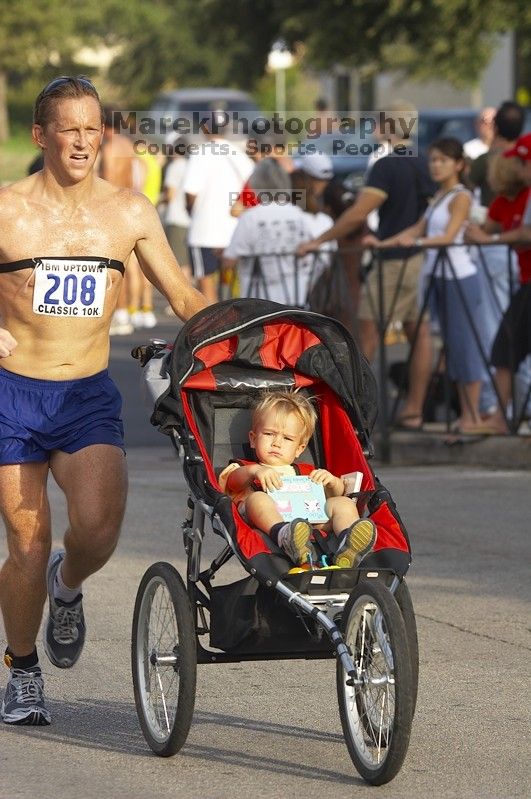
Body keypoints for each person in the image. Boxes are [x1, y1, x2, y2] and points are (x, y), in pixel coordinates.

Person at [0, 76, 207, 726]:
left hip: (86, 393)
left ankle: (67, 586)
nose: (83, 141)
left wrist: (244, 338)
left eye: (93, 129)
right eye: (69, 129)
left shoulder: (128, 211)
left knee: (95, 531)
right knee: (27, 541)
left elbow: (182, 296)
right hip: (12, 393)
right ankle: (22, 669)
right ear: (40, 135)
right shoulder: (7, 209)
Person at [298, 101, 436, 430]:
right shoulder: (422, 160)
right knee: (417, 331)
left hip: (393, 260)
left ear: (388, 127)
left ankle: (352, 411)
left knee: (366, 331)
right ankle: (413, 409)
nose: (372, 129)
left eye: (377, 123)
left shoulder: (387, 165)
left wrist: (319, 240)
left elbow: (359, 212)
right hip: (419, 256)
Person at [374, 138, 491, 435]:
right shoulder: (440, 196)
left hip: (459, 277)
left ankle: (472, 416)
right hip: (440, 276)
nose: (436, 166)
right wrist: (382, 244)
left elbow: (448, 236)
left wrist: (414, 242)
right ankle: (467, 415)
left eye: (443, 160)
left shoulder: (460, 196)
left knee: (465, 344)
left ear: (458, 164)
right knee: (452, 345)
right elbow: (417, 228)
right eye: (433, 160)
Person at [218, 390, 376, 568]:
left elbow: (334, 495)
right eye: (269, 434)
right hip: (268, 521)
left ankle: (348, 543)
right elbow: (231, 483)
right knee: (257, 498)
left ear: (299, 449)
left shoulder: (305, 471)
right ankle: (284, 535)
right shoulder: (247, 468)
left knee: (343, 502)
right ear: (253, 439)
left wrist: (333, 482)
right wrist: (254, 471)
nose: (277, 443)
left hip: (311, 521)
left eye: (287, 438)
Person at [465, 132, 531, 433]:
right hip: (525, 281)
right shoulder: (513, 197)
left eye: (522, 163)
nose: (518, 169)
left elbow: (526, 234)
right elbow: (495, 225)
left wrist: (488, 239)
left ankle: (501, 418)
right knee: (506, 347)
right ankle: (502, 418)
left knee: (506, 346)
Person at [222, 158, 316, 305]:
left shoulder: (250, 217)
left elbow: (229, 260)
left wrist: (222, 255)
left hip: (259, 303)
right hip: (296, 299)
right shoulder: (299, 215)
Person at [183, 110, 253, 304]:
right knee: (234, 288)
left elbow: (190, 192)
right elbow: (251, 190)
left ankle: (214, 321)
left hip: (204, 232)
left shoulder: (200, 153)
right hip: (234, 232)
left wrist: (191, 211)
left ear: (205, 128)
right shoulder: (240, 155)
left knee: (205, 282)